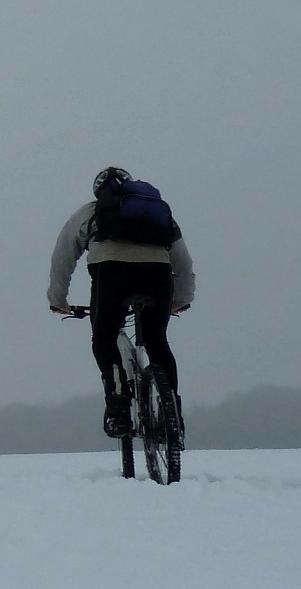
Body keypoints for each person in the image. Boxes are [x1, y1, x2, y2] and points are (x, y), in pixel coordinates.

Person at [48, 167, 195, 437]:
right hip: (158, 274)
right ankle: (172, 412)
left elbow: (63, 254)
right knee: (157, 341)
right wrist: (182, 298)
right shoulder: (158, 214)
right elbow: (183, 260)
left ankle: (118, 403)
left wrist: (58, 299)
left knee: (104, 337)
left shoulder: (91, 211)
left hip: (111, 273)